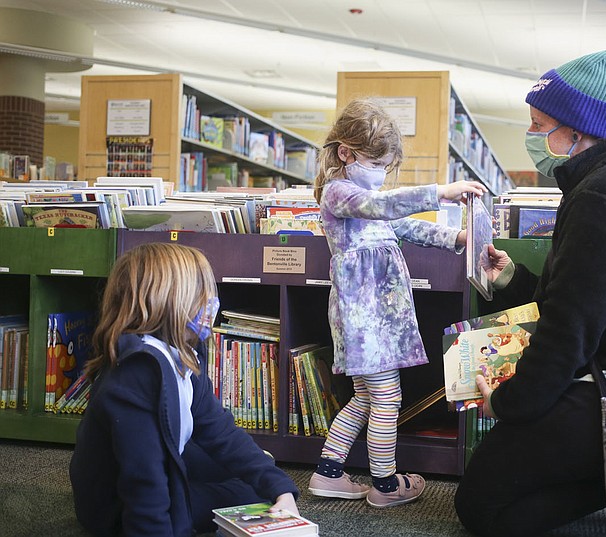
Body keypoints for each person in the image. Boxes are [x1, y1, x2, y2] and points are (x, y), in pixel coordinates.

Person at [453, 50, 606, 537]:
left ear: (575, 132)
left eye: (538, 124)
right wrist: (510, 280)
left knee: (482, 508)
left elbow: (570, 331)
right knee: (494, 486)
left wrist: (508, 402)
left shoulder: (603, 201)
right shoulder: (604, 184)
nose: (532, 136)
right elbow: (573, 300)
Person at [307, 98, 487, 508]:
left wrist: (459, 239)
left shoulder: (362, 198)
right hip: (364, 318)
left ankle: (328, 472)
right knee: (388, 398)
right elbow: (381, 206)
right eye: (376, 163)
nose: (379, 174)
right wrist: (439, 192)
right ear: (346, 154)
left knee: (367, 396)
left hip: (376, 319)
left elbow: (403, 224)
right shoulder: (339, 193)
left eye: (385, 166)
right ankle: (385, 485)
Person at [70, 243, 300, 536]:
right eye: (201, 294)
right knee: (249, 494)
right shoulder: (139, 371)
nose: (212, 304)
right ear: (168, 300)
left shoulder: (182, 353)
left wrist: (281, 490)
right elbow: (144, 481)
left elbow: (220, 432)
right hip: (117, 509)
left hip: (158, 472)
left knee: (258, 472)